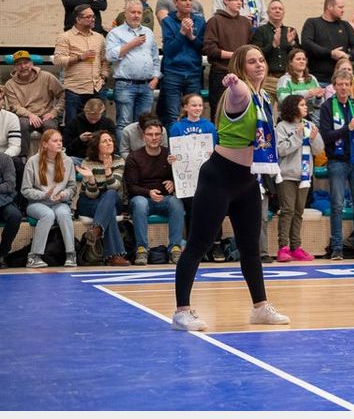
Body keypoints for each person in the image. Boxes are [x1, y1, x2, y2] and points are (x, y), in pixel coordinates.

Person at [172, 45, 289, 332]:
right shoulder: (241, 93)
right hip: (219, 177)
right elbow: (238, 93)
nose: (259, 64)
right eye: (252, 62)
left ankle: (260, 307)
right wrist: (233, 83)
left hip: (247, 181)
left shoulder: (263, 96)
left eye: (261, 60)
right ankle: (182, 312)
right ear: (239, 67)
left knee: (251, 248)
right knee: (198, 244)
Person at [320, 69, 354, 260]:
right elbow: (327, 136)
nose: (343, 88)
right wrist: (349, 127)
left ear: (351, 87)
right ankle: (336, 247)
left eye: (346, 84)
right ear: (334, 86)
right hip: (337, 161)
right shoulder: (327, 106)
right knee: (337, 205)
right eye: (340, 84)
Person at [125, 119, 185, 265]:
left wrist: (173, 182)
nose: (154, 137)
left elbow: (181, 177)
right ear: (143, 136)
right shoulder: (134, 157)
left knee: (176, 202)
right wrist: (149, 192)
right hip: (141, 198)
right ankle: (142, 249)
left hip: (164, 199)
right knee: (140, 204)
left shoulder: (169, 155)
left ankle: (175, 248)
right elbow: (131, 186)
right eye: (150, 134)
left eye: (157, 134)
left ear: (162, 136)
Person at [273, 94, 320, 263]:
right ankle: (283, 248)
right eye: (302, 104)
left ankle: (295, 247)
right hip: (287, 175)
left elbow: (318, 150)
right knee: (288, 211)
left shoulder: (310, 125)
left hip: (305, 175)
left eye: (305, 104)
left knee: (299, 212)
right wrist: (298, 136)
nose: (306, 107)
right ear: (293, 107)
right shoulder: (282, 127)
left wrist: (313, 139)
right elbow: (281, 150)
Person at [21, 130, 77, 268]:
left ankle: (71, 254)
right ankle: (34, 256)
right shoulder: (32, 161)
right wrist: (44, 195)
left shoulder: (68, 161)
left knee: (64, 214)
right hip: (37, 203)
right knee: (48, 214)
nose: (59, 143)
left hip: (59, 202)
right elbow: (25, 190)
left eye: (60, 140)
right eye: (55, 141)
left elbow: (72, 187)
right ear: (45, 144)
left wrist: (63, 194)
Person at [105, 0, 160, 133]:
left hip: (147, 85)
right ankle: (124, 148)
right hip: (125, 85)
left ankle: (141, 148)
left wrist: (155, 78)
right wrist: (131, 44)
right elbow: (110, 56)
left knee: (144, 124)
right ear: (125, 14)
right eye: (133, 12)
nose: (136, 15)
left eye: (139, 12)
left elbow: (155, 57)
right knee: (124, 123)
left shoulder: (148, 32)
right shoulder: (115, 33)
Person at [75, 130, 130, 266]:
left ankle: (97, 230)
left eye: (110, 140)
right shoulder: (87, 162)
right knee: (109, 212)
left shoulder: (118, 160)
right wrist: (91, 179)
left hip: (111, 199)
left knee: (110, 194)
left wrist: (107, 169)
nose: (109, 143)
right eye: (104, 141)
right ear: (96, 145)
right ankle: (114, 256)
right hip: (89, 201)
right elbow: (91, 194)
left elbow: (114, 186)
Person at [203, 0, 254, 120]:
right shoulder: (215, 21)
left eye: (241, 0)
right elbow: (209, 49)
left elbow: (251, 47)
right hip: (221, 73)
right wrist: (234, 55)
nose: (239, 3)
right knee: (219, 110)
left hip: (242, 74)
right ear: (226, 1)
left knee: (243, 110)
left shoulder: (245, 23)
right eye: (236, 0)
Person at [3, 50, 64, 158]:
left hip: (46, 114)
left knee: (50, 126)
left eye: (26, 63)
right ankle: (22, 158)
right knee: (21, 124)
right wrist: (30, 115)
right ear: (15, 67)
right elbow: (15, 106)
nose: (23, 66)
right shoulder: (10, 84)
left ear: (31, 64)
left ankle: (51, 157)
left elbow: (62, 94)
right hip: (25, 117)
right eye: (19, 64)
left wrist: (54, 112)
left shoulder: (46, 77)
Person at [276, 48, 325, 115]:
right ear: (290, 62)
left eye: (304, 59)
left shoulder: (312, 79)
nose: (302, 61)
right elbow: (283, 100)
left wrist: (318, 98)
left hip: (311, 117)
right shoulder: (284, 80)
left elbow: (318, 105)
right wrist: (307, 94)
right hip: (291, 117)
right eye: (298, 59)